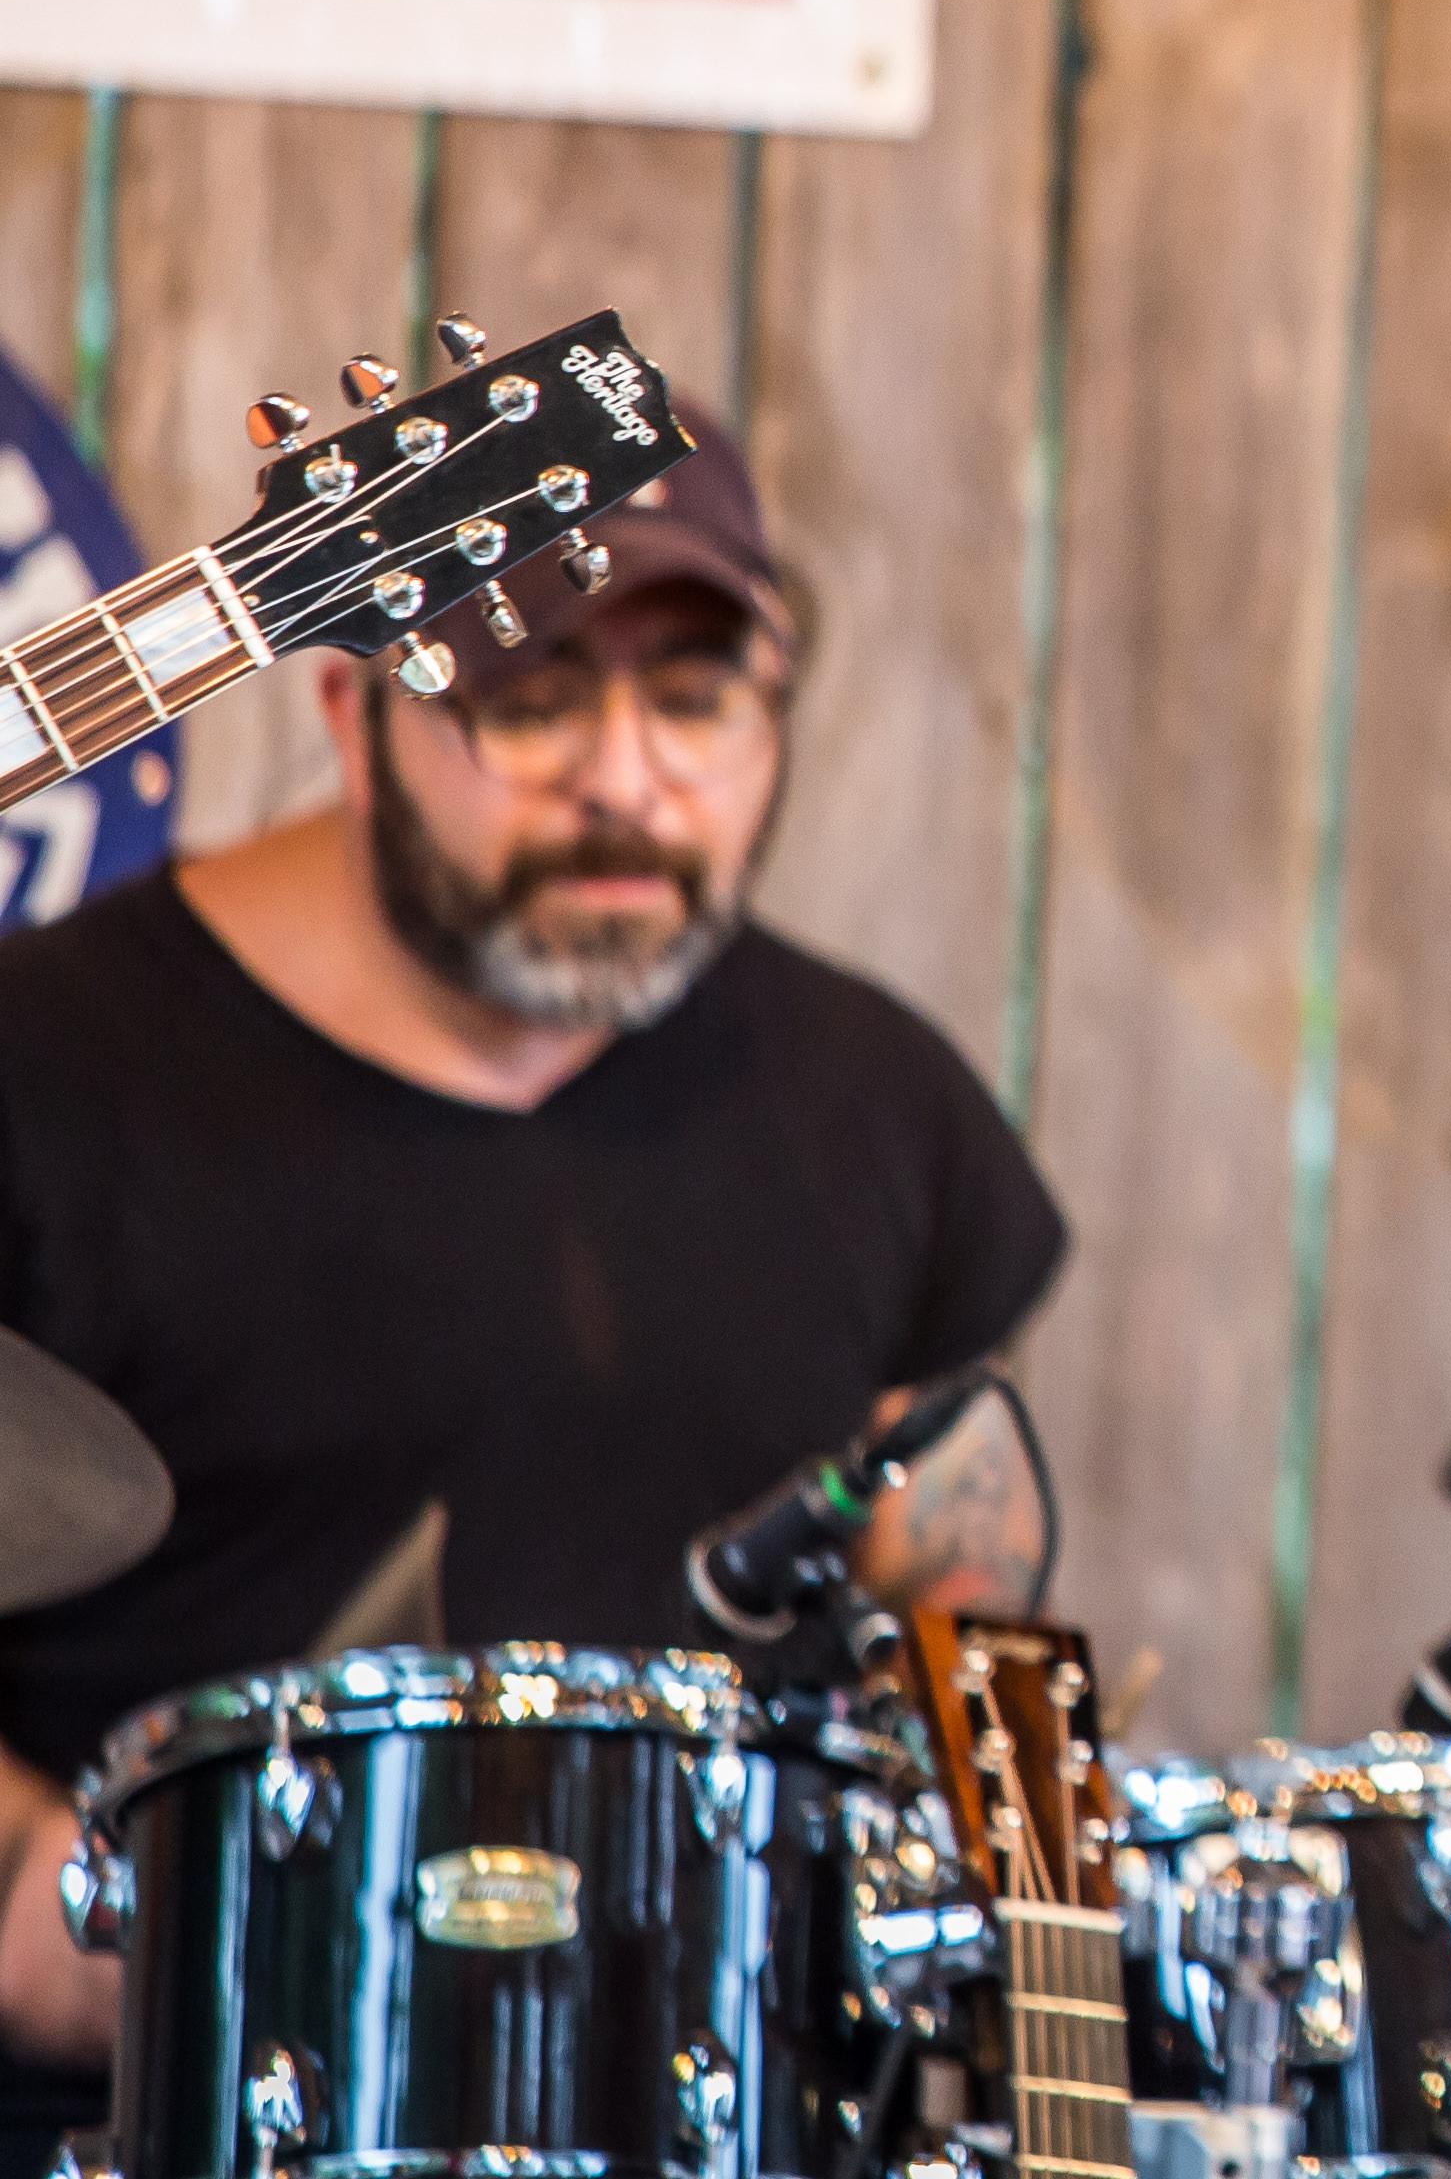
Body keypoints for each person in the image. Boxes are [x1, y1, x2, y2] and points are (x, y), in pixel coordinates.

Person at [0, 410, 1066, 2165]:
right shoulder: (41, 1071)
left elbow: (970, 1624)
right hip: (143, 2107)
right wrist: (44, 1925)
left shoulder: (886, 1109)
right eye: (538, 697)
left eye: (697, 699)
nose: (630, 785)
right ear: (353, 714)